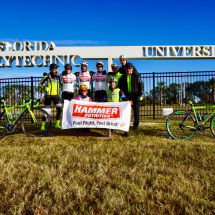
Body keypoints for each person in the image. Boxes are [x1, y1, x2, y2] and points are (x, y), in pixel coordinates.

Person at [118, 62, 144, 130]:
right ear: (125, 69)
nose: (128, 69)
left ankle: (136, 124)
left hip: (135, 95)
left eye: (130, 68)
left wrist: (140, 94)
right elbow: (119, 87)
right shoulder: (122, 77)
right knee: (125, 111)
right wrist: (121, 95)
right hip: (126, 96)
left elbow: (141, 85)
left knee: (136, 111)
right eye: (127, 68)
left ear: (132, 69)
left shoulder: (137, 76)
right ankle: (124, 124)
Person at [39, 63, 62, 129]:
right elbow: (40, 84)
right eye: (52, 68)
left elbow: (61, 84)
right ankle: (43, 125)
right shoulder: (47, 77)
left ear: (56, 69)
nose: (53, 69)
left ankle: (57, 124)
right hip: (48, 96)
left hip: (56, 96)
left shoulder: (58, 77)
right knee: (46, 111)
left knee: (60, 109)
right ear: (50, 69)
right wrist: (44, 88)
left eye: (55, 68)